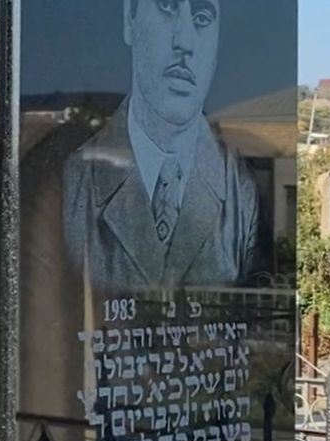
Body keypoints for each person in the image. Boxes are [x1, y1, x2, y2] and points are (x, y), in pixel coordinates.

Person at [60, 0, 259, 292]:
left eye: (202, 18)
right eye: (167, 6)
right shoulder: (72, 183)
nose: (184, 41)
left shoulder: (241, 193)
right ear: (130, 17)